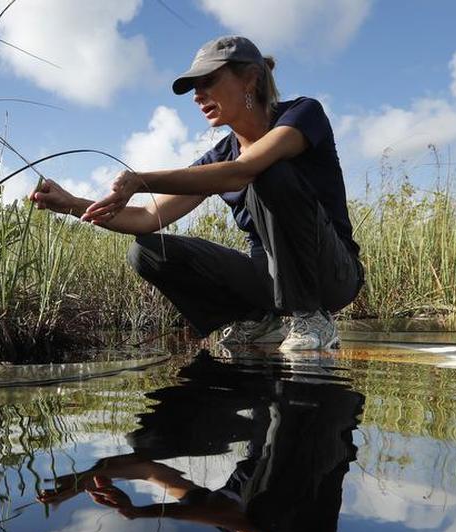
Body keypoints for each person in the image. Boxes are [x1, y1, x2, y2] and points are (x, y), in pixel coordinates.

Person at [29, 36, 364, 351]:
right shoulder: (219, 156)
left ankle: (312, 318)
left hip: (331, 275)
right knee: (147, 251)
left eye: (208, 82)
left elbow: (243, 172)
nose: (197, 95)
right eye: (194, 87)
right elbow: (146, 217)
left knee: (268, 173)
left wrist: (140, 180)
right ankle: (258, 320)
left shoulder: (303, 114)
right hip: (268, 281)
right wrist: (71, 204)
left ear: (250, 79)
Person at [39, 353, 363, 532]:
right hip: (325, 416)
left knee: (149, 444)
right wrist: (143, 512)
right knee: (261, 513)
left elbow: (151, 471)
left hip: (272, 408)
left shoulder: (221, 518)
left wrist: (82, 481)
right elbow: (241, 525)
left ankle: (234, 353)